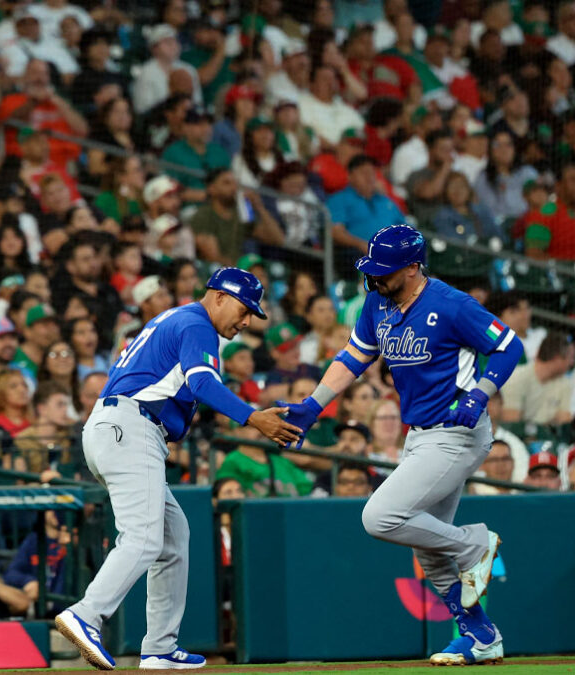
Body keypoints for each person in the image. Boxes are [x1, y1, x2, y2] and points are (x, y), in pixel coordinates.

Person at [282, 225, 521, 666]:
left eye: (384, 270)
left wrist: (481, 392)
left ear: (413, 268)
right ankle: (480, 635)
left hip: (457, 429)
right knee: (428, 551)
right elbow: (354, 356)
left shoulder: (450, 304)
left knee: (381, 516)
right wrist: (312, 405)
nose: (374, 278)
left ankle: (474, 545)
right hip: (420, 434)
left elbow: (509, 346)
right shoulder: (378, 301)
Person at [55, 267, 301, 671]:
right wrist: (255, 419)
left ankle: (159, 649)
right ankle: (87, 614)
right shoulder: (196, 323)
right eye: (243, 310)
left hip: (119, 427)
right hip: (130, 427)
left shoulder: (177, 319)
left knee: (173, 537)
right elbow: (202, 384)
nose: (245, 321)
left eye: (252, 315)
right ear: (219, 296)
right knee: (145, 538)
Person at [498, 332, 574, 425]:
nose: (571, 363)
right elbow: (510, 421)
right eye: (570, 358)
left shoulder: (564, 384)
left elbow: (564, 421)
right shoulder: (517, 378)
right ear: (557, 358)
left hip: (547, 437)